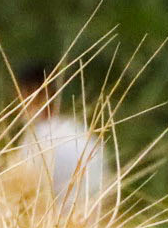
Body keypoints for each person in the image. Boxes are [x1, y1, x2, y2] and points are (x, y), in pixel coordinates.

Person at [16, 59, 112, 211]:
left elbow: (25, 195)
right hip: (89, 222)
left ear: (29, 94)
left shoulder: (36, 139)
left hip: (52, 225)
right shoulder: (82, 132)